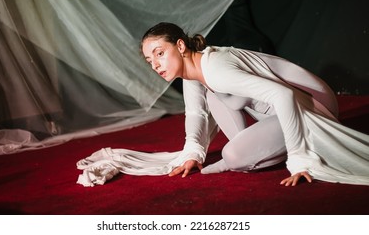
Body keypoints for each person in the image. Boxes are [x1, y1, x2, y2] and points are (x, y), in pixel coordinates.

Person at [140, 22, 369, 186]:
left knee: (233, 156)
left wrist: (300, 160)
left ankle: (245, 155)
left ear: (180, 46)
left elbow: (283, 96)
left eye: (160, 53)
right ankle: (248, 149)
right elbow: (196, 111)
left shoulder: (216, 69)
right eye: (150, 60)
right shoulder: (196, 68)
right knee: (212, 95)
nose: (155, 65)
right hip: (276, 110)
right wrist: (194, 152)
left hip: (314, 104)